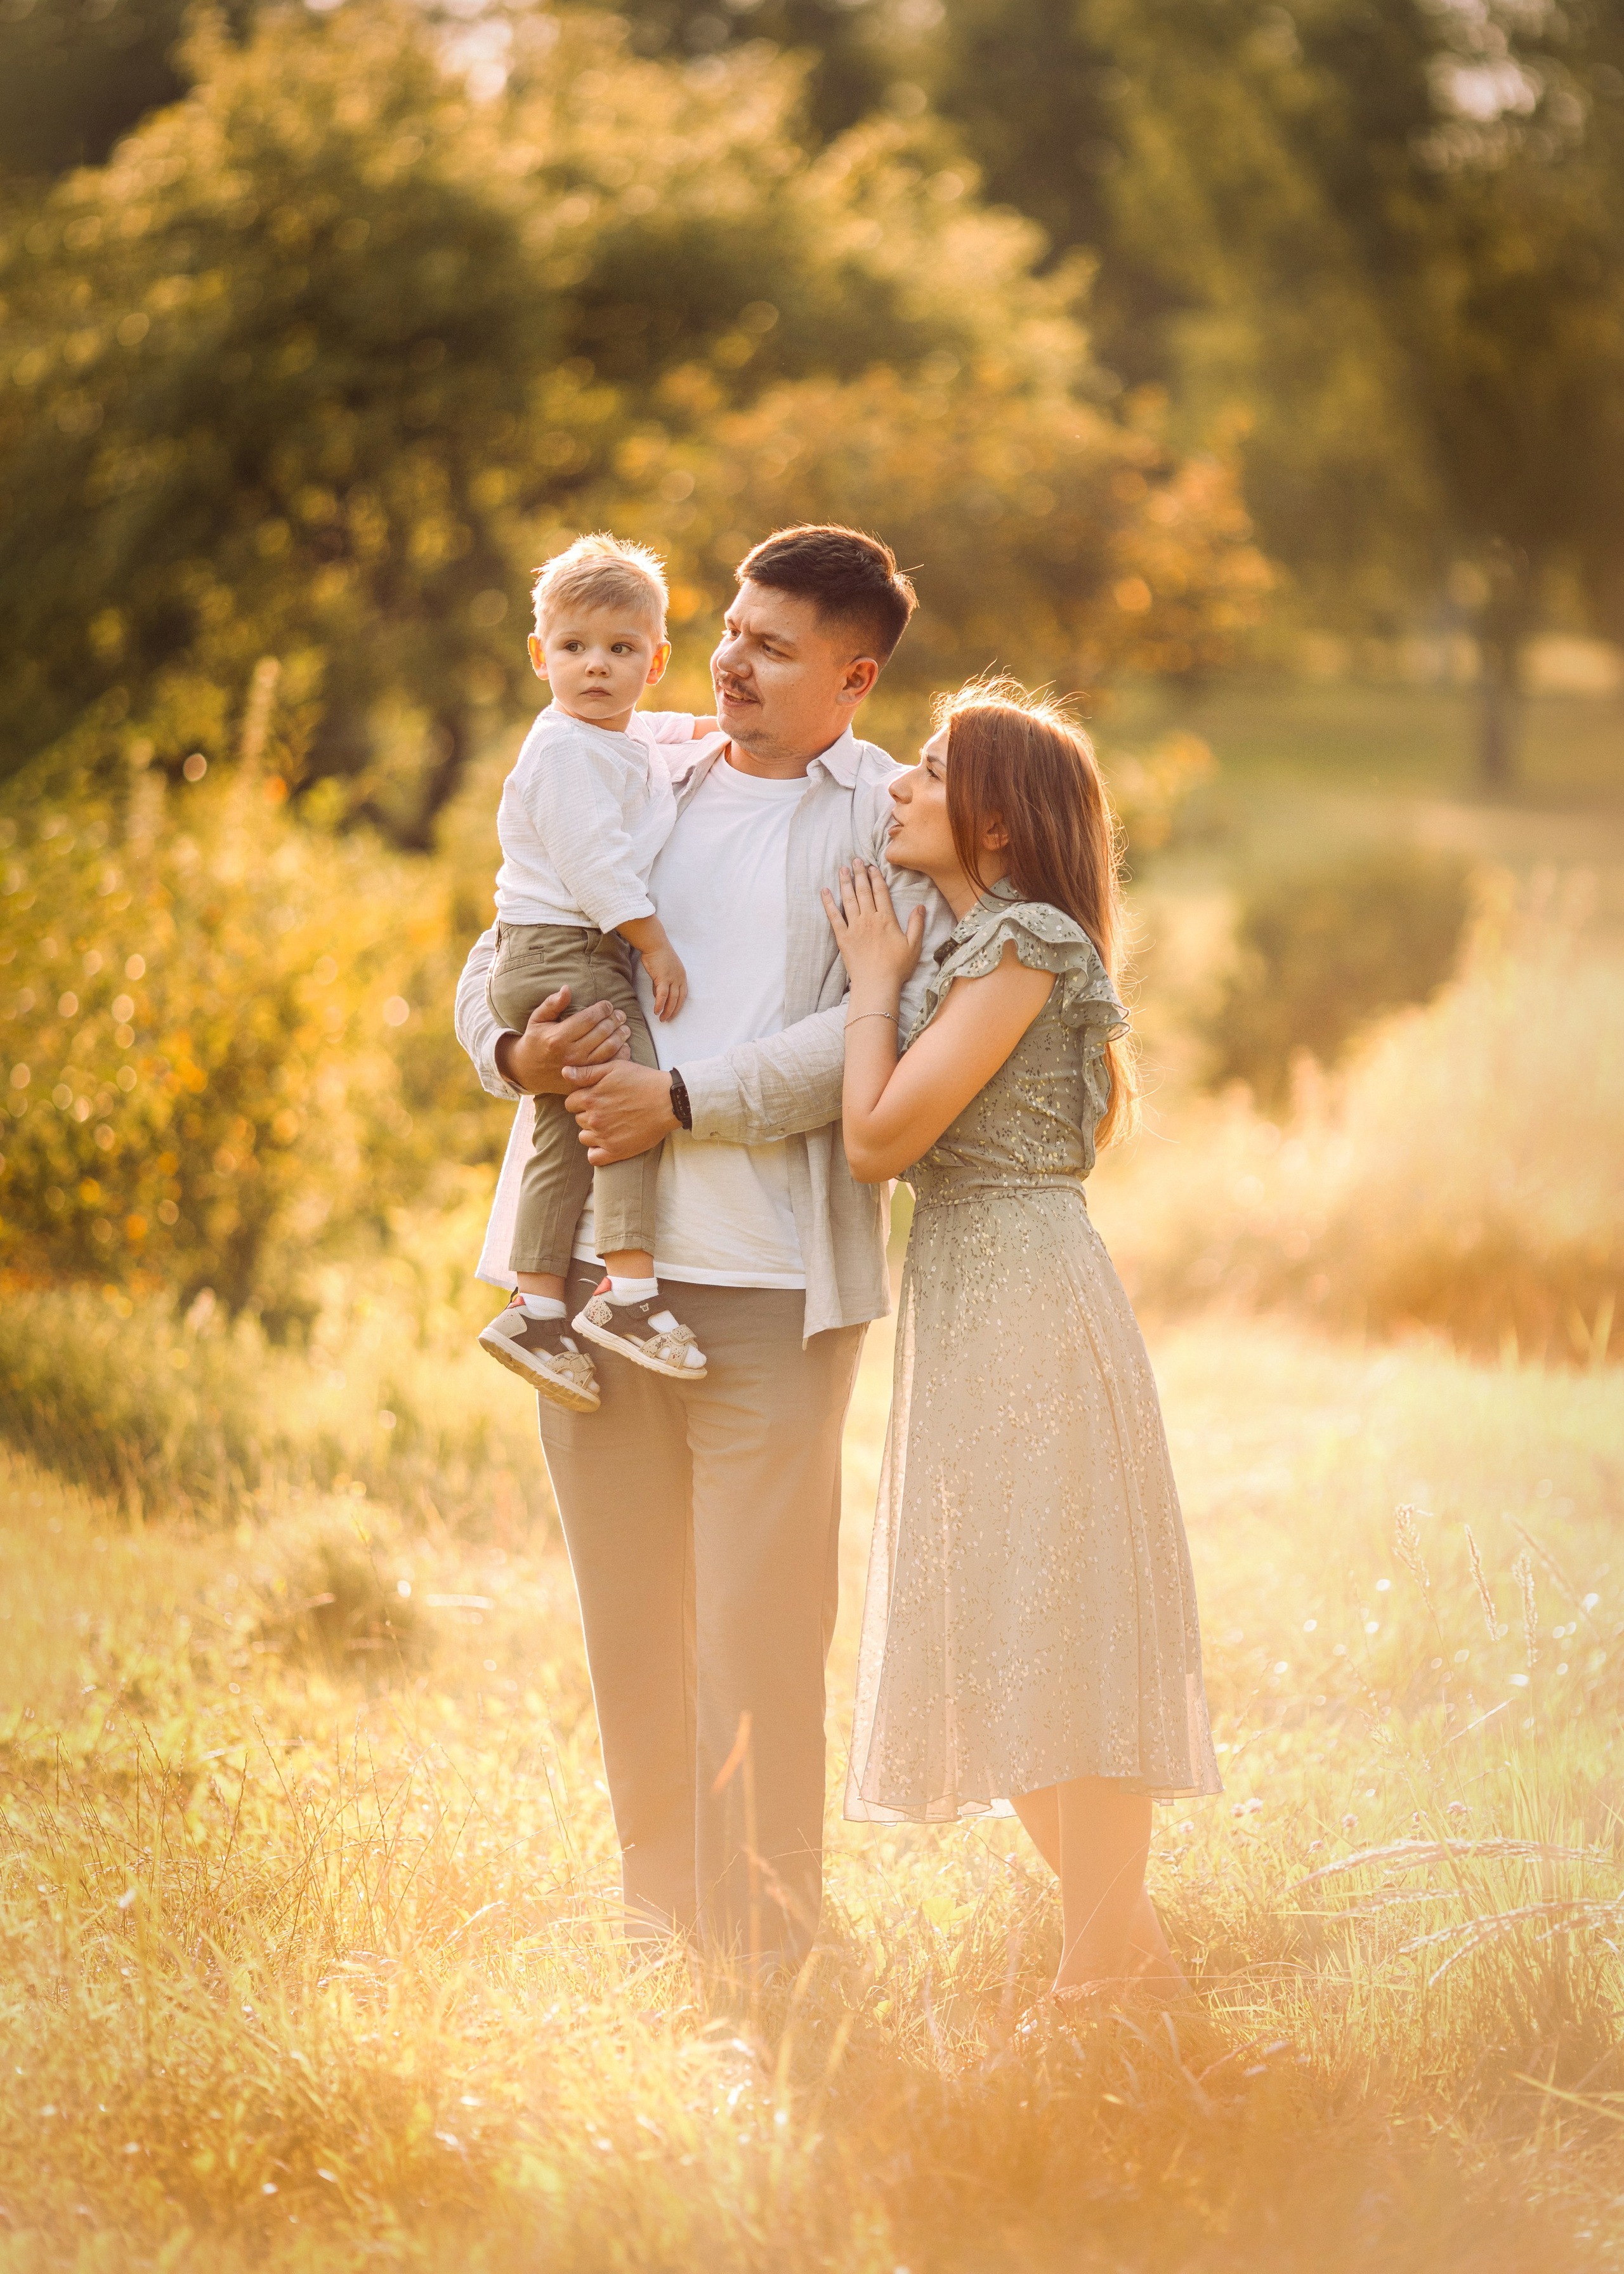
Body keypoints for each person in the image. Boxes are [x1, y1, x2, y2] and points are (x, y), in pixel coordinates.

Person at [455, 525, 955, 1972]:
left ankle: (770, 1933)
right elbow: (504, 946)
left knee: (759, 1621)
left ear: (851, 678)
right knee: (631, 1618)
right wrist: (511, 1049)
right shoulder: (623, 756)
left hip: (770, 1285)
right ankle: (657, 1919)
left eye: (773, 646)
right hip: (588, 1282)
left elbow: (872, 1030)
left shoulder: (887, 817)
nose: (730, 661)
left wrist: (676, 1098)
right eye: (730, 629)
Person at [822, 677, 1220, 2001]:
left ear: (995, 827)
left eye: (929, 775)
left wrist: (872, 982)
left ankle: (1092, 1979)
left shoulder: (1023, 943)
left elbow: (879, 1138)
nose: (897, 787)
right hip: (974, 1296)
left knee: (1057, 1630)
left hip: (1030, 1306)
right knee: (1006, 1628)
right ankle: (1129, 1972)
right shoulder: (971, 938)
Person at [476, 533, 719, 1409]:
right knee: (629, 1101)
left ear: (655, 664)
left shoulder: (611, 734)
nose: (596, 668)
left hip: (541, 951)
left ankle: (535, 1305)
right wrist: (653, 944)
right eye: (574, 649)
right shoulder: (566, 752)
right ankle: (630, 1292)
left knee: (558, 1128)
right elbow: (596, 868)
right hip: (570, 948)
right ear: (541, 657)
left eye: (621, 651)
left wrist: (719, 728)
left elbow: (661, 732)